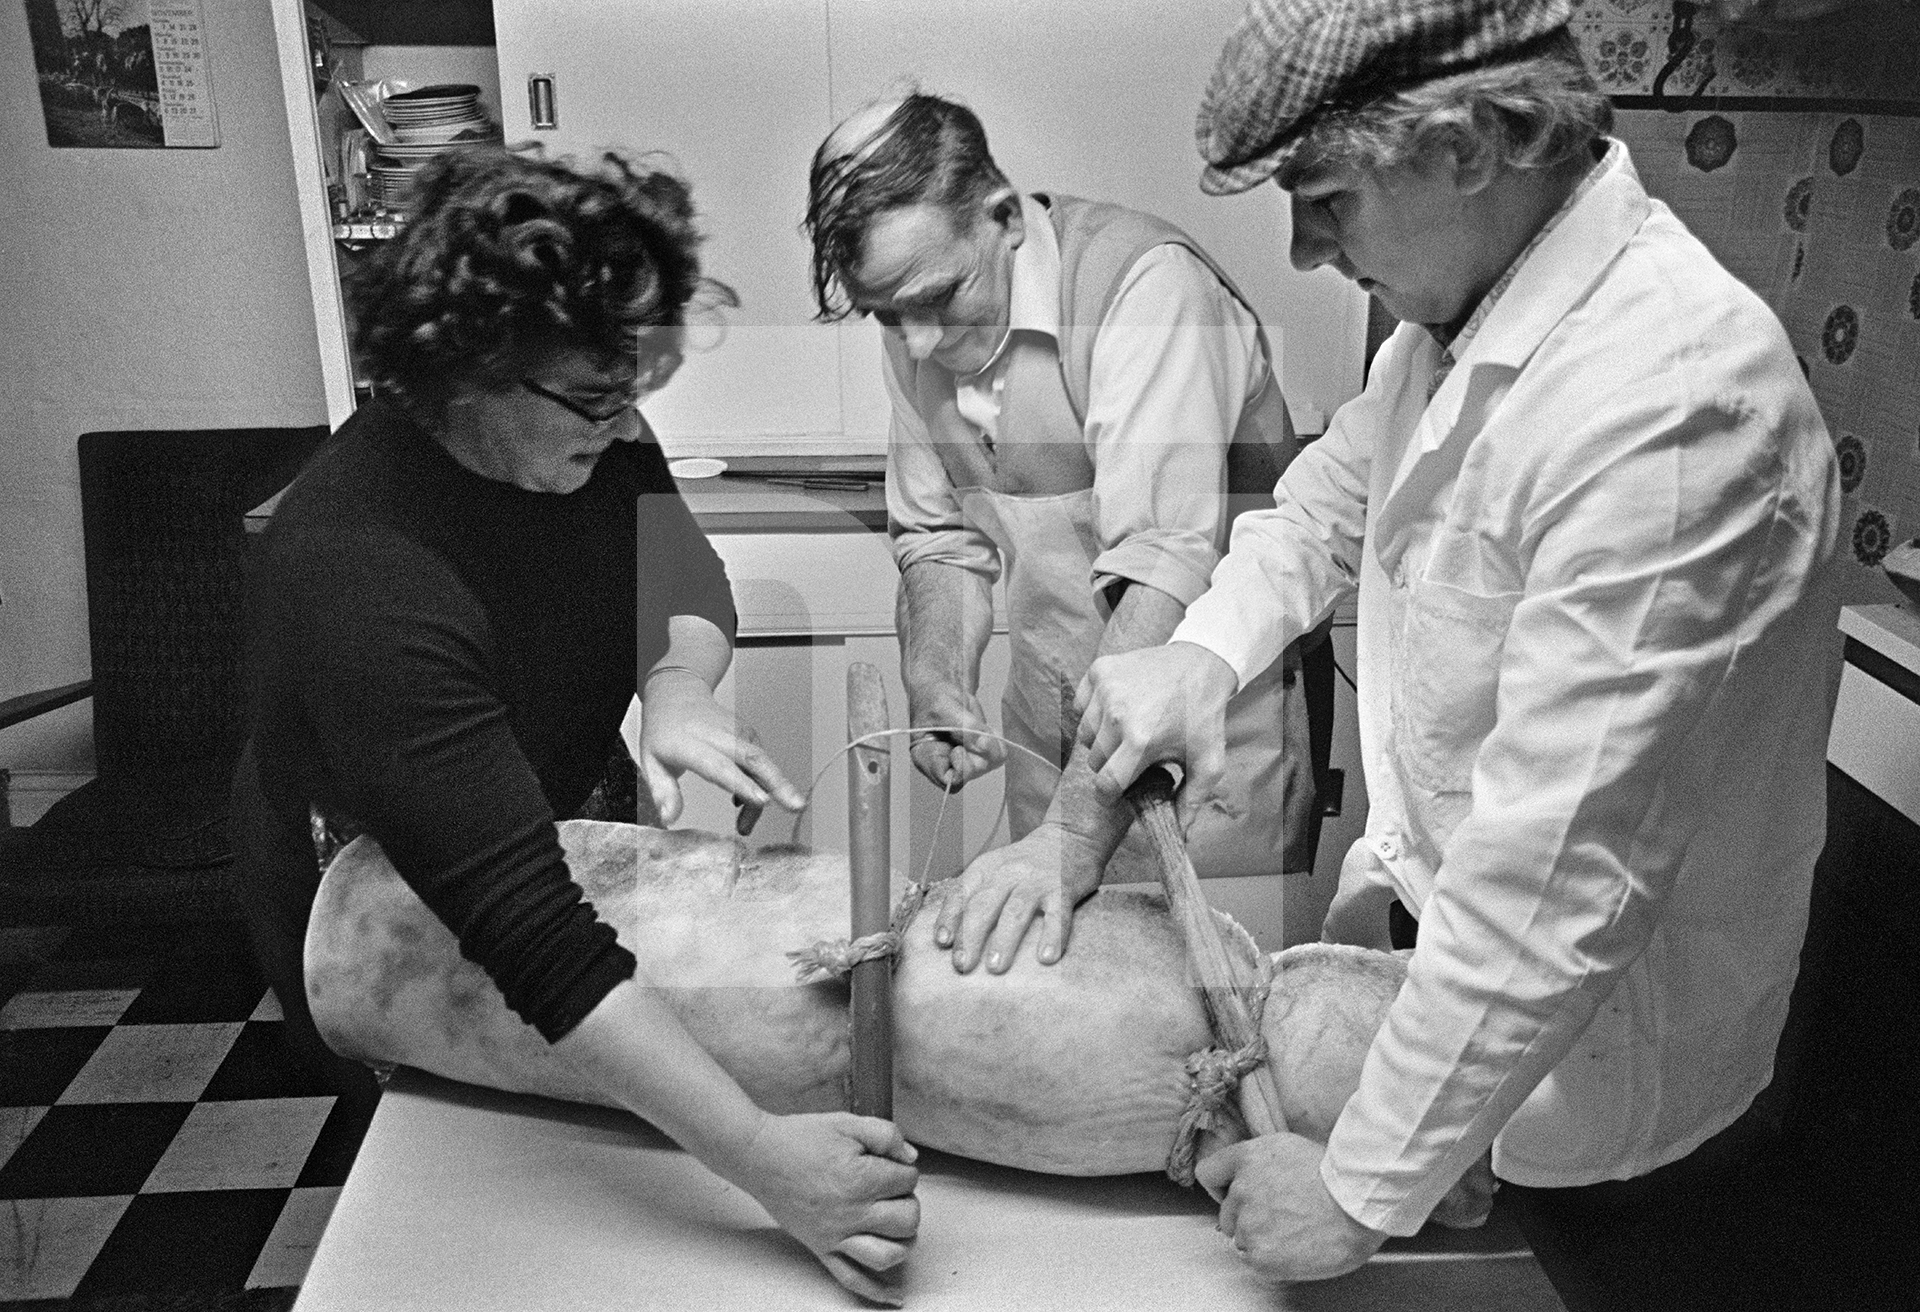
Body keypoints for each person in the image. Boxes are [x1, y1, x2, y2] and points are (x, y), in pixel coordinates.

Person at [1073, 2, 1842, 1305]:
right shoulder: (1459, 327)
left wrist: (1355, 1189)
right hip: (1456, 1006)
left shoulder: (1668, 415)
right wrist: (1203, 658)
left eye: (1324, 199)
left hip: (1611, 1109)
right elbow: (1324, 502)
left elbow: (1551, 891)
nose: (1307, 248)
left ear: (1470, 147)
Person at [232, 145, 917, 1300]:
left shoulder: (593, 438)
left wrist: (682, 686)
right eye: (598, 399)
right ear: (466, 367)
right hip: (380, 891)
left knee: (602, 1127)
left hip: (553, 818)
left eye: (634, 392)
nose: (625, 423)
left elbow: (687, 585)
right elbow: (533, 934)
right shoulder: (356, 569)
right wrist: (763, 1162)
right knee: (489, 1183)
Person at [804, 92, 1315, 973]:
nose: (916, 342)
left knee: (1214, 1039)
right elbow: (940, 538)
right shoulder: (919, 315)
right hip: (1058, 744)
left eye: (937, 297)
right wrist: (937, 680)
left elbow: (1164, 562)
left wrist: (1077, 832)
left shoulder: (1146, 288)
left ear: (1002, 216)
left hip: (1213, 752)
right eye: (887, 315)